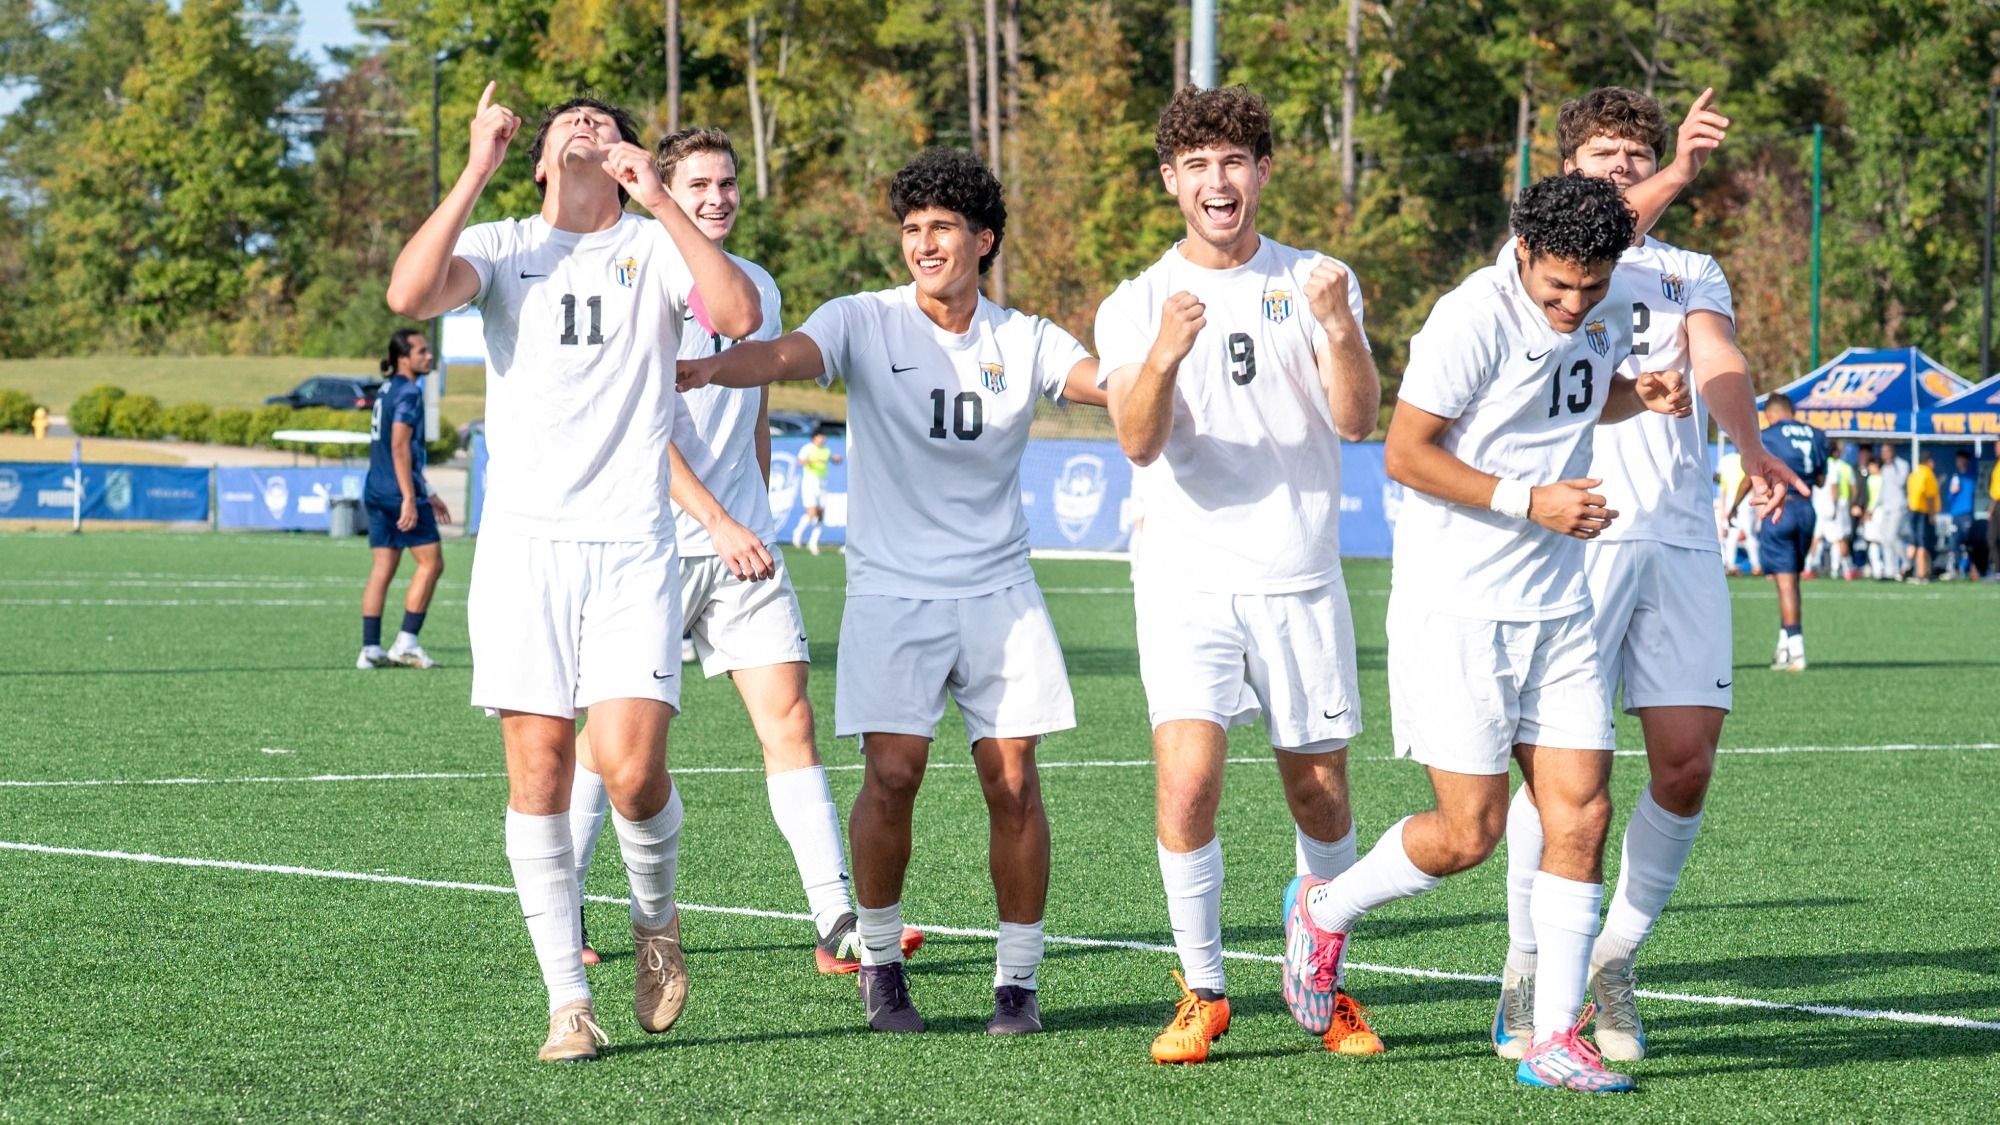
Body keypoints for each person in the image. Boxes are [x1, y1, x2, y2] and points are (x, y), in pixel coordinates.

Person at [677, 148, 1108, 1036]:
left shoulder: (1023, 336)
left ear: (983, 239)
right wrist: (721, 366)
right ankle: (878, 964)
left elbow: (1102, 383)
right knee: (893, 774)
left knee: (1015, 782)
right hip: (892, 591)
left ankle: (1017, 983)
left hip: (1000, 589)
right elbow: (792, 354)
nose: (923, 244)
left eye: (942, 228)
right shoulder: (862, 319)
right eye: (911, 230)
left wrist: (1164, 364)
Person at [1284, 172, 1691, 1094]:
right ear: (1522, 252)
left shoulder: (1605, 300)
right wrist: (1531, 500)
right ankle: (1324, 906)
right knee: (1468, 833)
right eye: (1557, 287)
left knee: (1580, 810)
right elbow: (1403, 451)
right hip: (1456, 605)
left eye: (1590, 287)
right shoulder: (1469, 317)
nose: (1573, 303)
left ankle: (1553, 1036)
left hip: (1560, 605)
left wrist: (1643, 391)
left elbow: (1581, 392)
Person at [386, 85, 764, 1062]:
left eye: (606, 126)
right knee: (540, 776)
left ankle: (654, 917)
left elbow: (736, 312)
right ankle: (567, 1002)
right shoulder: (508, 245)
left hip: (632, 548)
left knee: (632, 772)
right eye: (569, 130)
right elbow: (407, 296)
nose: (589, 133)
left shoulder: (650, 245)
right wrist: (473, 166)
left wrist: (661, 200)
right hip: (523, 553)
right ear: (542, 160)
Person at [1490, 87, 1806, 1066]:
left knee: (1684, 763)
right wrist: (1675, 171)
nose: (1621, 167)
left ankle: (1611, 958)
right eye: (1602, 153)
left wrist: (1749, 447)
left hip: (1673, 538)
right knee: (1556, 774)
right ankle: (1524, 960)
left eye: (1635, 153)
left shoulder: (1686, 268)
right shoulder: (1531, 267)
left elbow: (1715, 359)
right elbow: (1605, 233)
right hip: (1568, 534)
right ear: (1564, 167)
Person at [568, 126, 921, 975]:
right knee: (609, 745)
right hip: (647, 546)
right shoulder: (637, 273)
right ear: (662, 190)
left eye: (727, 183)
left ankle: (836, 917)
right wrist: (717, 521)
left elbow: (754, 406)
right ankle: (565, 893)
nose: (717, 198)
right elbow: (640, 431)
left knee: (790, 720)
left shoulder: (751, 283)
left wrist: (749, 513)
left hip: (740, 551)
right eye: (698, 186)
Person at [1093, 84, 1383, 1065]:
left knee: (1320, 794)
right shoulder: (1133, 301)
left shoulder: (1316, 278)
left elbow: (1355, 421)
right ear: (1170, 181)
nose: (1217, 182)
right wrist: (1167, 352)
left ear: (1261, 173)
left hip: (1297, 575)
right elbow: (1136, 441)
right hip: (1183, 581)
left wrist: (1339, 326)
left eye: (1234, 162)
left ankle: (1323, 978)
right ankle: (1203, 989)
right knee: (1186, 784)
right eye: (1196, 166)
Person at [357, 328, 452, 670]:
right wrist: (411, 498)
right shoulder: (410, 392)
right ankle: (406, 643)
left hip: (376, 489)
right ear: (403, 357)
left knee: (383, 567)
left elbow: (400, 450)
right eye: (422, 351)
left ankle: (370, 649)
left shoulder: (386, 389)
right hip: (399, 492)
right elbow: (400, 448)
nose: (429, 356)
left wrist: (429, 491)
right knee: (432, 563)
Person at [1731, 394, 1826, 670]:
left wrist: (1734, 506)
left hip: (1780, 509)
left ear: (1771, 413)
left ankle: (1796, 650)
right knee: (1792, 579)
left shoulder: (1767, 435)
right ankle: (1784, 647)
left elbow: (1752, 474)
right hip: (1807, 510)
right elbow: (1819, 478)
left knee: (1784, 583)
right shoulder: (1817, 434)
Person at [791, 429, 842, 554]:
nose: (822, 439)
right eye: (820, 436)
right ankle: (798, 532)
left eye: (823, 436)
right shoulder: (808, 448)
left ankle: (813, 542)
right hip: (810, 482)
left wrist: (836, 459)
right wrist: (812, 461)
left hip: (823, 483)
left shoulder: (826, 450)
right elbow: (800, 461)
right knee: (812, 513)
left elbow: (832, 459)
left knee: (821, 515)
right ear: (814, 437)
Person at [1872, 441, 1911, 579]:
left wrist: (1893, 464)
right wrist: (1873, 507)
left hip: (1898, 507)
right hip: (1886, 508)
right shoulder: (1885, 469)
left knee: (1893, 537)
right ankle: (1890, 571)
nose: (1884, 455)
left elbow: (1901, 482)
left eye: (1886, 451)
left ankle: (1907, 563)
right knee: (1885, 539)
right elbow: (1883, 491)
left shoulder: (1901, 465)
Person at [1905, 448, 1941, 583]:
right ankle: (1921, 573)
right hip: (1923, 513)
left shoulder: (1913, 475)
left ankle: (1908, 569)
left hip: (1912, 511)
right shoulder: (1927, 474)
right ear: (1929, 462)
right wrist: (1931, 514)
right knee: (1923, 544)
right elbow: (1930, 496)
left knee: (1914, 543)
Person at [1943, 449, 1978, 579]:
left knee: (1968, 543)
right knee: (1955, 543)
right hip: (1955, 515)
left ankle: (1970, 569)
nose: (1960, 462)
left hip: (1966, 514)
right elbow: (1949, 498)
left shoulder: (1970, 475)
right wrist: (1953, 492)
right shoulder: (1955, 477)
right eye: (1958, 459)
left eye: (1963, 459)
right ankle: (1956, 569)